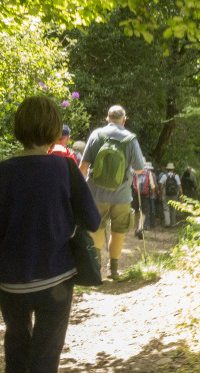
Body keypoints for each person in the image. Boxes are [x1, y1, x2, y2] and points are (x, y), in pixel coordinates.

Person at [0, 96, 100, 373]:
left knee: (16, 348)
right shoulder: (65, 168)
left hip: (12, 283)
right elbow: (93, 219)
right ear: (55, 130)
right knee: (45, 358)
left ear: (18, 128)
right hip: (57, 280)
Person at [79, 105, 144, 280]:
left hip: (96, 194)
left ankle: (95, 270)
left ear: (107, 119)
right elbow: (139, 169)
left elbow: (83, 167)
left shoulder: (96, 135)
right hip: (122, 196)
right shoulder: (131, 139)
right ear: (124, 119)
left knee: (97, 229)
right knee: (118, 231)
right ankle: (113, 270)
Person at [131, 161, 157, 236]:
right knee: (144, 212)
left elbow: (131, 183)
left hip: (136, 193)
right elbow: (152, 186)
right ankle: (140, 228)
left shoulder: (134, 172)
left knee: (136, 212)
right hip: (145, 195)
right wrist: (152, 192)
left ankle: (136, 229)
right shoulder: (148, 172)